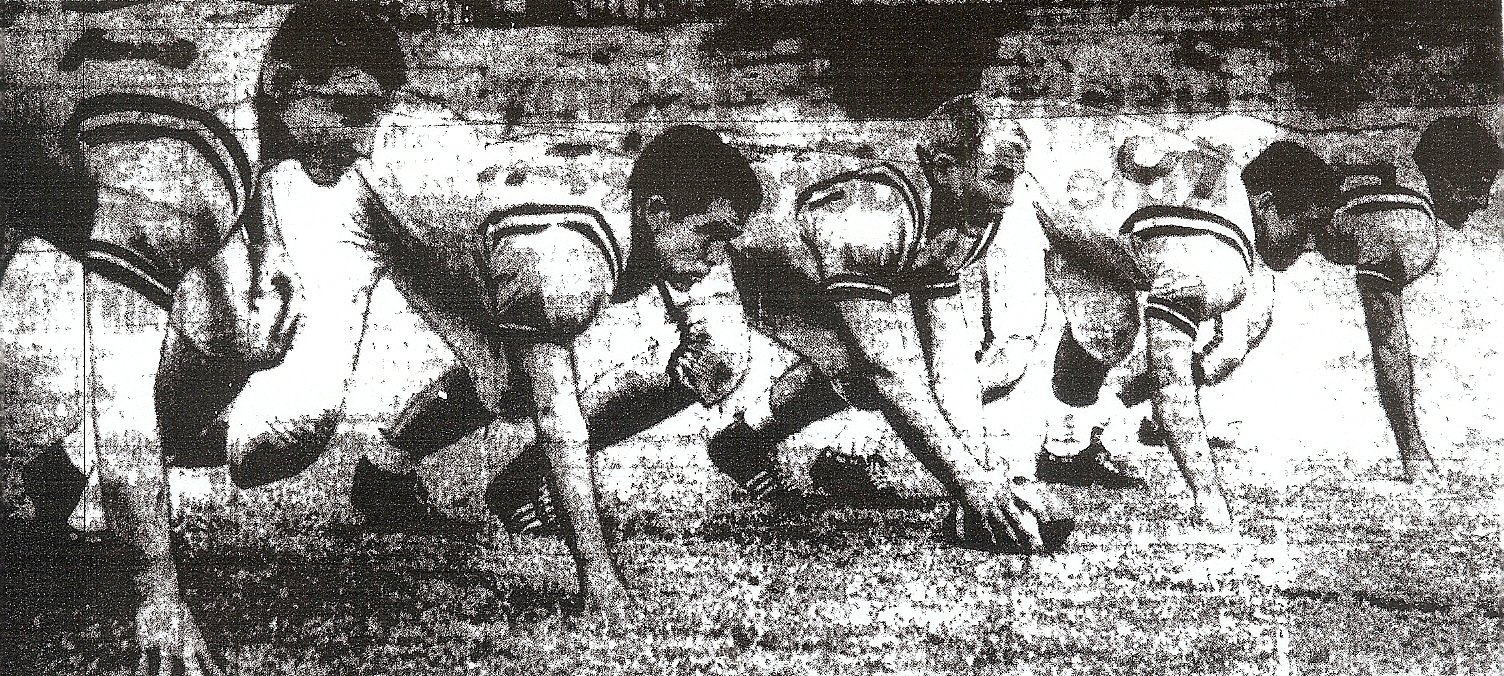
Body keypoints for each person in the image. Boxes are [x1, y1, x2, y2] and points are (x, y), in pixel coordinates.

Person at [217, 52, 764, 609]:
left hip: (444, 221)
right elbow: (561, 425)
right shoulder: (568, 266)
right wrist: (598, 577)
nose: (716, 256)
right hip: (354, 192)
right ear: (657, 212)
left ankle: (383, 471)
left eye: (726, 241)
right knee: (281, 440)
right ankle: (180, 439)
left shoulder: (642, 228)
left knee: (512, 382)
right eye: (712, 236)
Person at [0, 0, 310, 672]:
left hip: (85, 116)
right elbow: (120, 393)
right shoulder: (174, 182)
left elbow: (235, 84)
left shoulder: (241, 71)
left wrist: (267, 235)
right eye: (352, 109)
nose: (364, 141)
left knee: (252, 324)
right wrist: (156, 593)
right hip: (50, 128)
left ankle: (65, 468)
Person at [698, 94, 1067, 553]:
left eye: (1015, 176)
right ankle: (746, 436)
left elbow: (947, 354)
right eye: (998, 176)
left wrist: (983, 477)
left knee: (888, 370)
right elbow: (888, 371)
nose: (1008, 195)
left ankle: (743, 439)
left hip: (832, 252)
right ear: (944, 167)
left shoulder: (973, 205)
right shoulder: (875, 217)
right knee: (863, 370)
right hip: (774, 267)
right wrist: (973, 488)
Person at [1017, 109, 1276, 529]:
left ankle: (1077, 438)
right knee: (1103, 327)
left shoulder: (1237, 271)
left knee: (1131, 335)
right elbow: (1175, 377)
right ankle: (1060, 440)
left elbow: (1211, 355)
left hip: (1145, 214)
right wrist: (1208, 495)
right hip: (1095, 195)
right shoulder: (1210, 263)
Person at [1239, 114, 1504, 483]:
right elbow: (1387, 341)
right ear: (1448, 179)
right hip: (1248, 206)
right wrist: (1413, 452)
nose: (1483, 202)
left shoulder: (1399, 189)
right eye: (1478, 186)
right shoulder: (1412, 227)